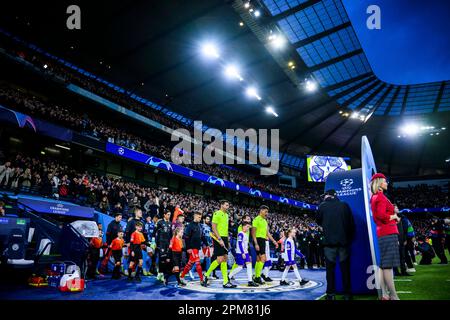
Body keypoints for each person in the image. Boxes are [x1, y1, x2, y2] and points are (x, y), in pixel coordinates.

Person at [316, 189, 355, 300]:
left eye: (325, 195)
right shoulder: (344, 205)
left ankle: (330, 295)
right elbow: (351, 224)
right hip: (343, 243)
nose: (324, 197)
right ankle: (347, 295)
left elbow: (318, 221)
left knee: (330, 272)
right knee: (345, 270)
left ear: (329, 195)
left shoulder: (322, 206)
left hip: (329, 244)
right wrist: (348, 239)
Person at [370, 173, 401, 300]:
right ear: (379, 183)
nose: (387, 183)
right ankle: (393, 295)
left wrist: (394, 215)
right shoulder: (381, 197)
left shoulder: (375, 196)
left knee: (383, 265)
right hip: (388, 232)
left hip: (383, 232)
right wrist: (393, 216)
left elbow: (379, 216)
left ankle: (384, 295)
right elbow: (381, 216)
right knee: (387, 265)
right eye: (385, 181)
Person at [202, 200, 236, 288]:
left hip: (224, 237)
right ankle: (206, 275)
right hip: (218, 237)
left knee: (224, 258)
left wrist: (227, 240)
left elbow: (225, 228)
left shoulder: (227, 215)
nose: (228, 207)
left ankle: (225, 282)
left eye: (228, 205)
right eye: (226, 205)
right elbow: (213, 227)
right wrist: (219, 239)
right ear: (221, 205)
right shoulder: (217, 214)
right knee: (220, 258)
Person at [252, 205, 278, 285]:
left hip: (262, 240)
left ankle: (256, 276)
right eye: (265, 211)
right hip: (258, 239)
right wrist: (256, 243)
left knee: (259, 259)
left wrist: (274, 241)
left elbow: (267, 233)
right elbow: (253, 232)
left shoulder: (265, 221)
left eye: (267, 212)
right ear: (261, 210)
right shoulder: (256, 219)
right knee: (263, 259)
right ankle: (257, 276)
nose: (267, 213)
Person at [228, 221, 258, 287]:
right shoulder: (240, 234)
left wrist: (247, 253)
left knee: (249, 265)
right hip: (240, 253)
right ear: (243, 226)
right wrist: (242, 253)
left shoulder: (246, 234)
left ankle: (250, 281)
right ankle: (229, 276)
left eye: (248, 227)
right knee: (240, 267)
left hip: (246, 252)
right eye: (247, 227)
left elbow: (245, 245)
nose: (248, 228)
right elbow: (239, 244)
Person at [180, 212, 204, 283]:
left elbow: (201, 236)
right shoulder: (190, 226)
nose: (200, 219)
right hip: (192, 247)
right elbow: (186, 237)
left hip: (197, 247)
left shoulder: (199, 225)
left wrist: (206, 243)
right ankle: (202, 280)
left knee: (190, 264)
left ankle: (181, 277)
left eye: (200, 217)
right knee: (197, 262)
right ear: (195, 216)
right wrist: (188, 248)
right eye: (199, 217)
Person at [155, 210, 172, 282]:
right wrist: (154, 241)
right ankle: (160, 273)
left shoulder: (170, 223)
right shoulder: (160, 222)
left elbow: (171, 234)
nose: (169, 216)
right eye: (168, 214)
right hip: (161, 243)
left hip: (167, 243)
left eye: (170, 214)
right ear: (164, 215)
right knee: (161, 258)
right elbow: (154, 231)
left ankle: (163, 273)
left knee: (166, 259)